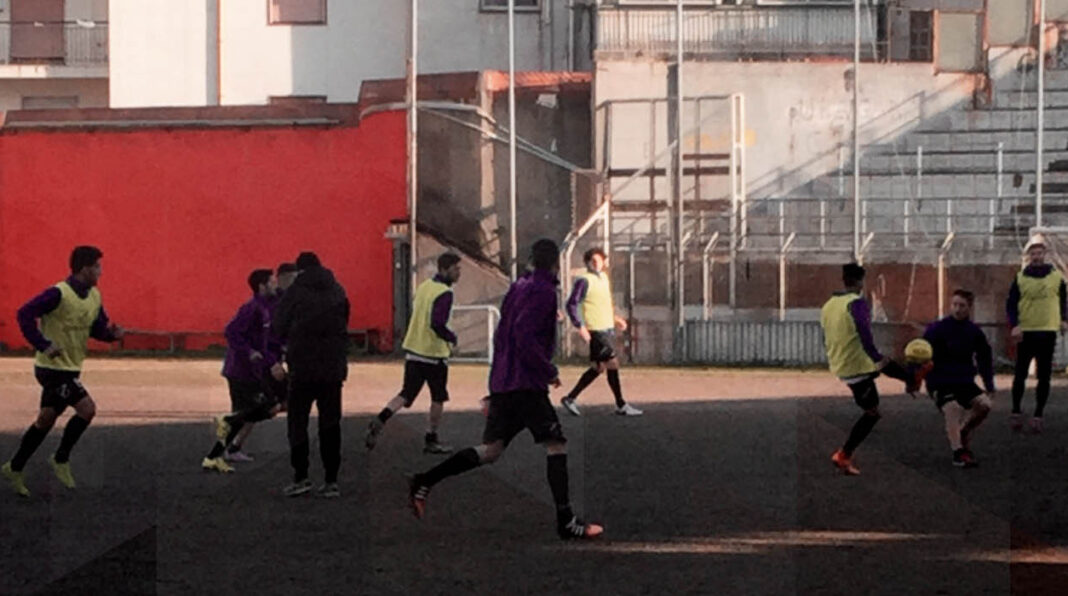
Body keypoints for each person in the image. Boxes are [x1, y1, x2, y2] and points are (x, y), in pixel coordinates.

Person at [407, 239, 604, 540]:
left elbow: (504, 334)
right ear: (554, 265)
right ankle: (566, 521)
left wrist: (497, 379)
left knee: (491, 450)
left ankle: (425, 480)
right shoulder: (543, 291)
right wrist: (547, 370)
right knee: (556, 444)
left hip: (505, 382)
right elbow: (524, 337)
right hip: (525, 384)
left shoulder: (519, 287)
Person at [2, 246, 124, 497]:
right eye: (98, 267)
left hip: (71, 367)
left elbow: (96, 329)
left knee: (45, 420)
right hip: (52, 369)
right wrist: (44, 344)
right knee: (87, 409)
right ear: (85, 268)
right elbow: (24, 314)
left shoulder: (94, 297)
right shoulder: (58, 293)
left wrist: (112, 335)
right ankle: (60, 458)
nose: (101, 272)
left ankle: (14, 467)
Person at [820, 263, 926, 476]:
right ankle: (843, 454)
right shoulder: (857, 303)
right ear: (861, 281)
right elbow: (865, 334)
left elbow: (825, 335)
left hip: (841, 362)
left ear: (844, 280)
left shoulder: (829, 305)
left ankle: (911, 379)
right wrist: (874, 355)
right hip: (856, 363)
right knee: (872, 411)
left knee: (884, 370)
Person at [365, 253, 461, 454]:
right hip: (434, 354)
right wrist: (451, 338)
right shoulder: (444, 292)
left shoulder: (425, 287)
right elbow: (437, 323)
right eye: (456, 268)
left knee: (406, 393)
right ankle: (431, 438)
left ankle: (381, 418)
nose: (458, 272)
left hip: (414, 351)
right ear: (444, 269)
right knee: (438, 397)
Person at [273, 252, 350, 498]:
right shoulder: (338, 290)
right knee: (330, 423)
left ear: (300, 270)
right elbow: (344, 320)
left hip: (302, 367)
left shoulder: (295, 291)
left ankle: (301, 476)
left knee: (298, 422)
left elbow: (278, 326)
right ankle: (331, 480)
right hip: (333, 367)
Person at [201, 269, 287, 473]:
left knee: (259, 409)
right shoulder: (252, 308)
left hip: (252, 370)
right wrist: (249, 352)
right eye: (272, 282)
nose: (276, 285)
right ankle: (217, 451)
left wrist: (273, 359)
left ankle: (221, 453)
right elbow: (231, 331)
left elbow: (264, 343)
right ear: (262, 286)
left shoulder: (265, 307)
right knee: (258, 409)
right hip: (240, 370)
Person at [560, 248, 643, 417]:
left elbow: (602, 304)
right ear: (588, 263)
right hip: (595, 330)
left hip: (606, 328)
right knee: (612, 363)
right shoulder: (584, 280)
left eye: (599, 261)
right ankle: (621, 404)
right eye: (593, 262)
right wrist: (580, 326)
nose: (596, 265)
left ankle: (570, 398)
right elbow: (571, 304)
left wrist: (615, 319)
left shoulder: (604, 279)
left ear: (605, 261)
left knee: (598, 367)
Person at [923, 290, 995, 467]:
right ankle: (958, 452)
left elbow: (984, 358)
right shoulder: (936, 329)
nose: (957, 309)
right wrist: (914, 379)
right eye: (954, 305)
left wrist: (989, 384)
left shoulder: (974, 332)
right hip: (939, 381)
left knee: (985, 405)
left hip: (964, 381)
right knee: (952, 408)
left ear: (969, 308)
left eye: (962, 306)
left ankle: (963, 431)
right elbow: (920, 355)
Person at [1006, 234, 1066, 434]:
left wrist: (1064, 319)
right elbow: (1011, 303)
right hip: (1026, 331)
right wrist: (1014, 324)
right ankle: (1016, 410)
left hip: (1047, 331)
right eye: (1034, 253)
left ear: (1045, 255)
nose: (1037, 257)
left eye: (1040, 253)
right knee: (1020, 374)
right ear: (1029, 256)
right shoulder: (1021, 277)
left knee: (1044, 375)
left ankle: (1038, 414)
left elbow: (1064, 300)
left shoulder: (1056, 277)